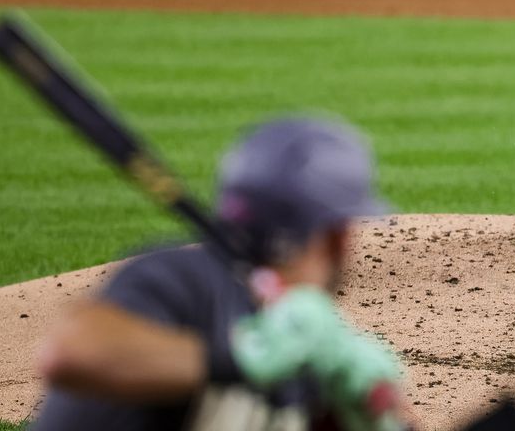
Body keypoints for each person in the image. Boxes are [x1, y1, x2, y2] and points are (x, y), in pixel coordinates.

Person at [31, 116, 406, 430]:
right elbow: (72, 352)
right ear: (337, 239)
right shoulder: (189, 279)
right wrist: (243, 356)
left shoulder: (308, 345)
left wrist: (368, 412)